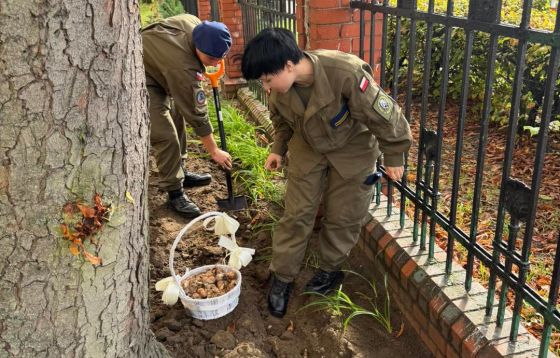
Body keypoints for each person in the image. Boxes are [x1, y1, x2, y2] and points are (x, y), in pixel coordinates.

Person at [241, 28, 412, 317]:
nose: (266, 86)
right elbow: (281, 121)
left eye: (267, 79)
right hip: (308, 146)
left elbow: (385, 115)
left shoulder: (345, 72)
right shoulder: (281, 88)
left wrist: (394, 153)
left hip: (353, 148)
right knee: (296, 213)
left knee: (343, 215)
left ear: (288, 65)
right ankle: (282, 277)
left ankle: (330, 270)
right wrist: (277, 149)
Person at [142, 14, 233, 217]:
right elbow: (197, 113)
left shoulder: (196, 25)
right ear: (197, 47)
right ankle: (175, 191)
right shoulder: (183, 66)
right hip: (144, 75)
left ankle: (180, 170)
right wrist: (214, 151)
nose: (216, 63)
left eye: (221, 58)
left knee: (177, 115)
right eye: (211, 58)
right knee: (165, 135)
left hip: (160, 66)